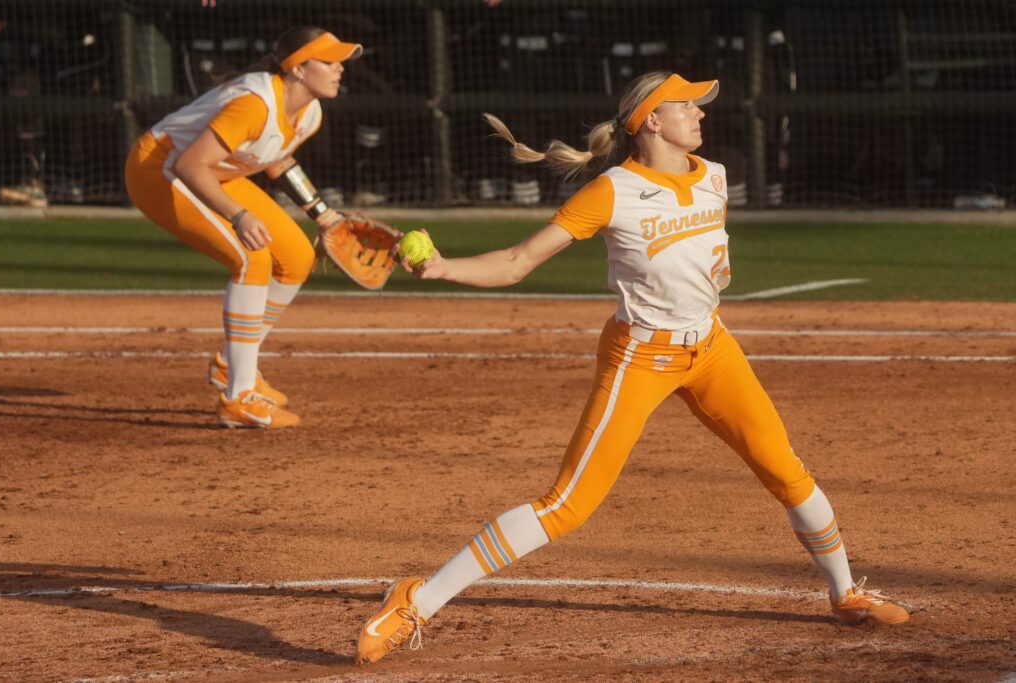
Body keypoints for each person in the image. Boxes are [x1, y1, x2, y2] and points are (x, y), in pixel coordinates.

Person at [354, 71, 909, 665]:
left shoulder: (715, 176)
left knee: (785, 469)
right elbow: (518, 262)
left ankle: (845, 592)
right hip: (640, 355)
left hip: (713, 349)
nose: (700, 113)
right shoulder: (611, 191)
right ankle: (419, 599)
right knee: (567, 504)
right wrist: (442, 268)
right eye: (686, 105)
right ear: (650, 120)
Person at [125, 27, 362, 428]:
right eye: (328, 61)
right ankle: (238, 398)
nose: (339, 69)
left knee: (296, 257)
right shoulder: (254, 103)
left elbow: (276, 160)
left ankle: (230, 366)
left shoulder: (310, 113)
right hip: (160, 170)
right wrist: (237, 214)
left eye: (340, 61)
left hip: (213, 172)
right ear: (299, 69)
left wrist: (322, 214)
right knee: (252, 257)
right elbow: (189, 166)